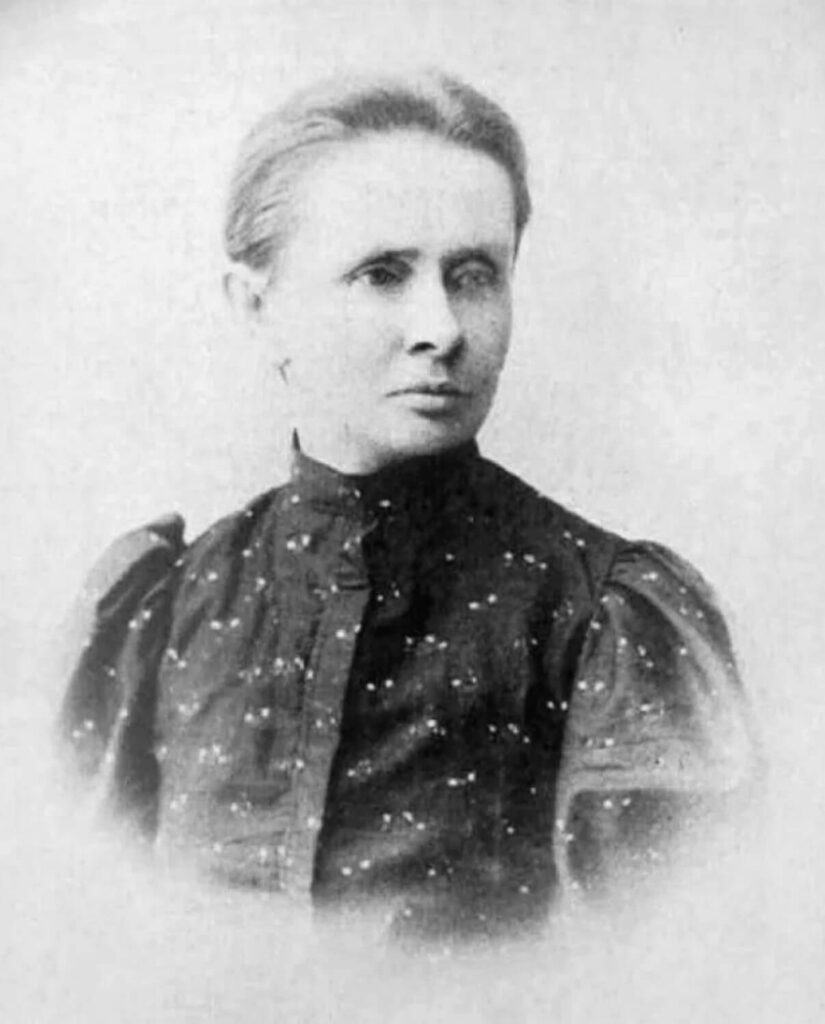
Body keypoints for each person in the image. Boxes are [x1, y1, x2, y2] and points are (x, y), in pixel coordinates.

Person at [58, 69, 759, 941]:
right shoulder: (163, 613)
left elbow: (666, 966)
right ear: (257, 308)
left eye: (473, 275)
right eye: (382, 274)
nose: (443, 328)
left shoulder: (603, 619)